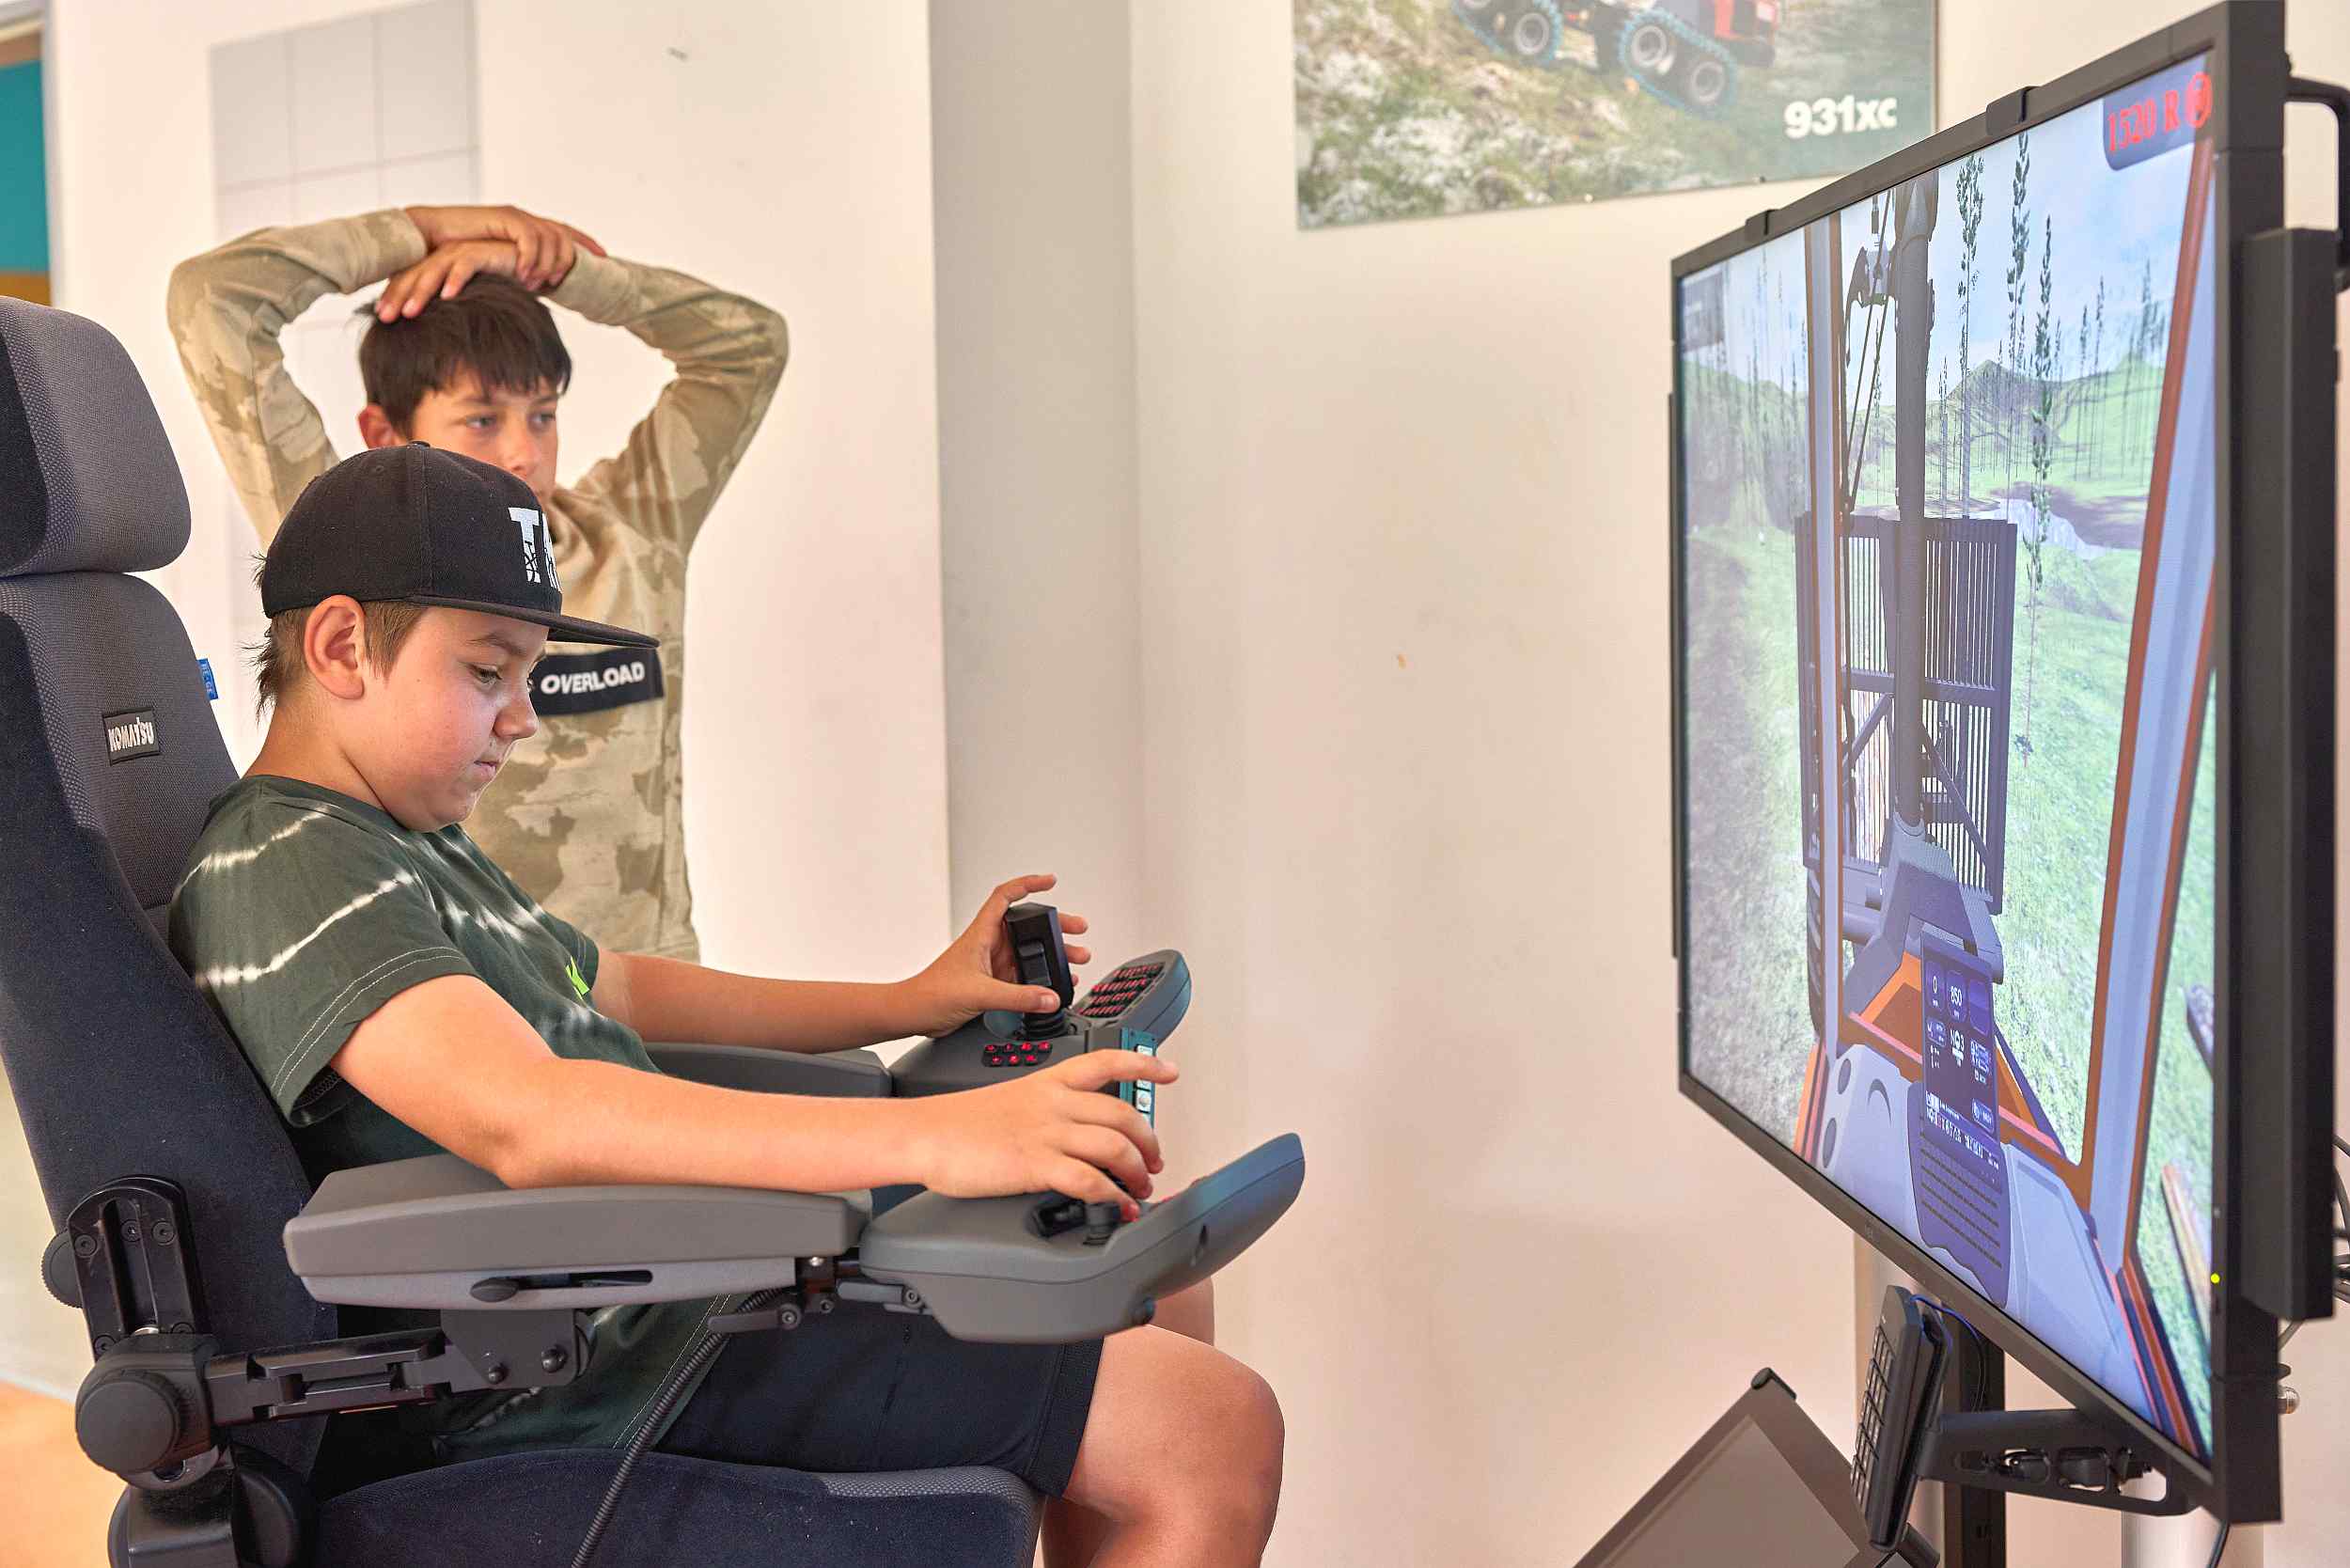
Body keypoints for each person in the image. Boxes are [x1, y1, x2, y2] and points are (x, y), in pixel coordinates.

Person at [168, 443, 1284, 1566]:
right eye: (488, 671)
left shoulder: (403, 843)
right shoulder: (288, 862)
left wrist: (910, 998)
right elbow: (527, 1118)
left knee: (1148, 1278)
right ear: (342, 647)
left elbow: (616, 988)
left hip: (661, 1285)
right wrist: (941, 1137)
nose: (522, 718)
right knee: (1212, 1430)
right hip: (576, 1368)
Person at [169, 201, 785, 960]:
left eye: (543, 415)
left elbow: (752, 346)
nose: (526, 452)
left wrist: (563, 270)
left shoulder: (634, 529)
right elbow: (212, 300)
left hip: (655, 990)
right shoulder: (360, 545)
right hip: (466, 994)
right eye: (483, 420)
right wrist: (425, 228)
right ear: (385, 435)